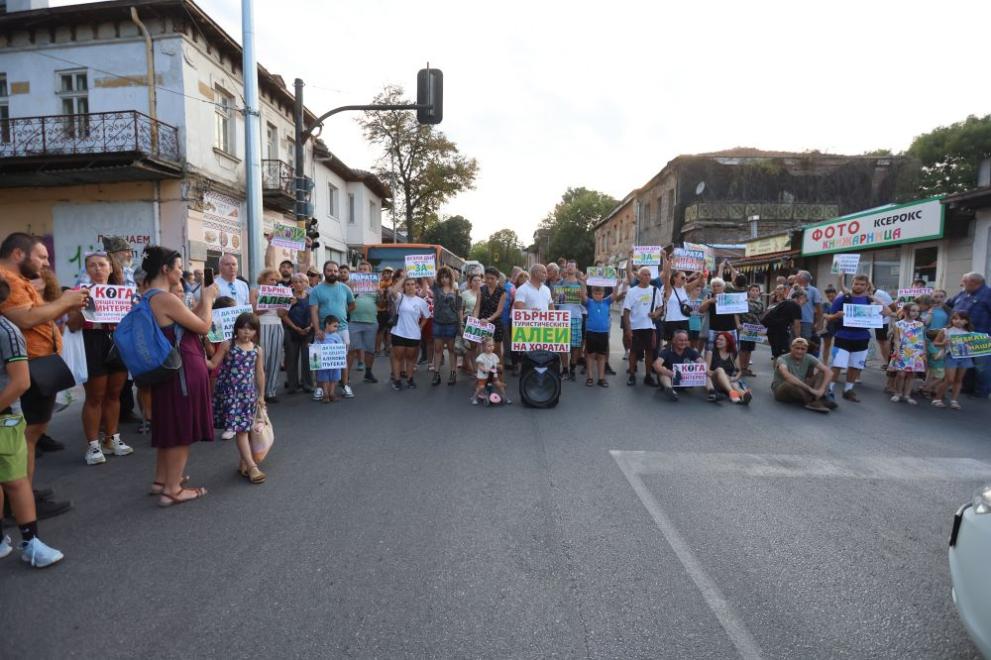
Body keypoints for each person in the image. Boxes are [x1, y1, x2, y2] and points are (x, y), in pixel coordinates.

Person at [0, 233, 86, 518]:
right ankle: (18, 499)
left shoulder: (18, 279)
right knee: (25, 436)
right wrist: (65, 301)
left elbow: (36, 313)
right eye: (41, 256)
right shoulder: (8, 280)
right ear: (18, 254)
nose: (46, 263)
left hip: (38, 364)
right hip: (28, 366)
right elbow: (26, 318)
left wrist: (66, 303)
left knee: (31, 434)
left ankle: (23, 490)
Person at [141, 246, 216, 507]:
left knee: (168, 423)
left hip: (167, 368)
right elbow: (203, 326)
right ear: (165, 269)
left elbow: (186, 323)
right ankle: (172, 489)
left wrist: (200, 302)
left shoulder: (147, 295)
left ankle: (162, 480)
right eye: (179, 267)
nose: (181, 272)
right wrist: (208, 299)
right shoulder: (165, 298)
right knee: (181, 428)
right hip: (183, 367)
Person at [0, 282, 64, 568]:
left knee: (15, 481)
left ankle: (31, 542)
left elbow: (21, 382)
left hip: (5, 418)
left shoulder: (7, 331)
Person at [65, 252, 134, 466]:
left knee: (114, 394)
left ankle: (112, 438)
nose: (97, 269)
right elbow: (72, 325)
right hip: (92, 341)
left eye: (102, 265)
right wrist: (82, 308)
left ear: (110, 268)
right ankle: (93, 445)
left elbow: (129, 321)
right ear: (86, 269)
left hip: (117, 341)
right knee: (95, 396)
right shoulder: (80, 293)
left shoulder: (122, 292)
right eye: (92, 265)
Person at [211, 312, 266, 484]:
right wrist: (194, 356)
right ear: (236, 329)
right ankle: (252, 466)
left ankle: (244, 463)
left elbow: (260, 373)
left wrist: (261, 395)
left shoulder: (257, 350)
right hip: (231, 395)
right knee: (241, 431)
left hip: (248, 395)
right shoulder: (228, 345)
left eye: (251, 329)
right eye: (242, 328)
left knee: (247, 429)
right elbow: (213, 363)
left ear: (256, 331)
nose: (246, 332)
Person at [827, 274, 890, 403]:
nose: (859, 286)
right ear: (852, 284)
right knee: (838, 364)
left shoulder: (870, 301)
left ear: (867, 286)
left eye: (862, 284)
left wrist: (875, 300)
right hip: (843, 336)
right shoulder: (842, 298)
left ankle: (848, 390)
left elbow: (887, 312)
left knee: (855, 365)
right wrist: (836, 316)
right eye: (856, 284)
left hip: (862, 337)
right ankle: (829, 390)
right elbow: (827, 317)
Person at [309, 261, 355, 397]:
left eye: (335, 271)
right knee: (318, 359)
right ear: (324, 272)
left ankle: (345, 385)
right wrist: (317, 330)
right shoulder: (316, 290)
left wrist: (342, 313)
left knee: (342, 358)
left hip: (342, 329)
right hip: (323, 331)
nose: (333, 273)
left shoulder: (345, 288)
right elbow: (313, 311)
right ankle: (319, 388)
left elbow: (352, 305)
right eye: (329, 270)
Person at [951, 272, 991, 398]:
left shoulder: (988, 294)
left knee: (981, 367)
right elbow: (948, 304)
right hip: (962, 335)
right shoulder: (963, 293)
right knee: (966, 364)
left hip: (981, 335)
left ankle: (981, 392)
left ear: (974, 282)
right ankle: (966, 388)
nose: (961, 284)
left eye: (964, 282)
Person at [771, 337, 836, 413]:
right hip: (782, 389)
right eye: (797, 348)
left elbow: (829, 372)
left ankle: (816, 398)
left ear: (806, 350)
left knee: (822, 373)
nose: (799, 351)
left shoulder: (808, 357)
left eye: (802, 349)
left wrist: (822, 389)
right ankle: (811, 401)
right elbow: (787, 376)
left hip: (800, 387)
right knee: (789, 384)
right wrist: (810, 389)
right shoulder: (782, 359)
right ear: (791, 348)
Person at [250, 269, 287, 404]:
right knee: (262, 359)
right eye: (271, 279)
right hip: (262, 324)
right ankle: (258, 391)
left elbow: (282, 314)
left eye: (276, 280)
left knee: (275, 359)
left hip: (277, 325)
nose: (274, 282)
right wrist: (271, 303)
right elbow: (254, 310)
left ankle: (271, 391)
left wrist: (286, 305)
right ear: (263, 279)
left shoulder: (280, 292)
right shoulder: (255, 291)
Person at [623, 267, 661, 387]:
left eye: (649, 274)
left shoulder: (655, 290)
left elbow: (660, 307)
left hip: (649, 327)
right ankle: (632, 375)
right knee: (633, 352)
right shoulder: (632, 291)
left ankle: (648, 376)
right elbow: (626, 311)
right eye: (645, 274)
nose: (648, 277)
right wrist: (628, 330)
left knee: (649, 352)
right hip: (635, 327)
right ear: (639, 277)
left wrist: (656, 313)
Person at [390, 277, 430, 390]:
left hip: (413, 335)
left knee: (411, 358)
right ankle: (397, 380)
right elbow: (393, 291)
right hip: (398, 333)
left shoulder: (421, 301)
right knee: (398, 357)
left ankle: (410, 379)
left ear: (416, 286)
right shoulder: (400, 297)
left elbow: (426, 316)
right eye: (407, 284)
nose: (410, 286)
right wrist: (404, 277)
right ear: (404, 286)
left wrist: (420, 327)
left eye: (412, 284)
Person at [933, 311, 976, 410]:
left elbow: (974, 346)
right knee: (949, 379)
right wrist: (943, 343)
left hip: (965, 357)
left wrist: (974, 344)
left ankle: (954, 400)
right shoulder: (946, 331)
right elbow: (935, 343)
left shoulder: (969, 333)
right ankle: (937, 399)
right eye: (955, 318)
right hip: (951, 356)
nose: (958, 321)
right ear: (951, 320)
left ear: (966, 321)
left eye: (962, 319)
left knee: (959, 379)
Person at [346, 261, 380, 385]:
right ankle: (345, 376)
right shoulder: (351, 285)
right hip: (354, 321)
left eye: (365, 269)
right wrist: (351, 287)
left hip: (371, 321)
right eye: (360, 269)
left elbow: (381, 304)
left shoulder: (375, 286)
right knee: (351, 349)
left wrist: (381, 294)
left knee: (370, 350)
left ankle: (368, 372)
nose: (363, 271)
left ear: (370, 272)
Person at [553, 261, 587, 381]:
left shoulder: (580, 283)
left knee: (575, 345)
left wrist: (581, 295)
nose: (570, 268)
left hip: (576, 316)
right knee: (562, 345)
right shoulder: (560, 283)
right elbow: (555, 301)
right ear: (566, 269)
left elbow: (585, 301)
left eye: (572, 266)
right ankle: (565, 369)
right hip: (562, 317)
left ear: (576, 269)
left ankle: (572, 368)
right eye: (568, 266)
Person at [583, 282, 622, 387]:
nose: (598, 295)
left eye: (600, 293)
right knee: (590, 355)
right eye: (595, 293)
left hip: (603, 333)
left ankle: (601, 378)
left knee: (601, 356)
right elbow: (583, 295)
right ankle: (590, 377)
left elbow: (614, 294)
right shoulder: (589, 302)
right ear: (592, 294)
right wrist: (583, 282)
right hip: (591, 332)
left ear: (603, 294)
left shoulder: (606, 302)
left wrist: (616, 285)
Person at [888, 302, 927, 405]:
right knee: (901, 374)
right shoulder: (898, 324)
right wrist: (897, 351)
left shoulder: (920, 324)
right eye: (913, 310)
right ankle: (898, 393)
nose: (916, 313)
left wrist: (923, 353)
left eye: (917, 311)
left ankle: (907, 395)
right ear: (905, 311)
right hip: (903, 351)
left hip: (916, 352)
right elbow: (896, 339)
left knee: (911, 374)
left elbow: (922, 339)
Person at [431, 266, 463, 386]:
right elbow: (427, 277)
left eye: (446, 277)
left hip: (452, 323)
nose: (444, 279)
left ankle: (453, 373)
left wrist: (461, 324)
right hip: (438, 323)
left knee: (451, 350)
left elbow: (459, 308)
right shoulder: (436, 288)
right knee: (438, 349)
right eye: (442, 277)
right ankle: (436, 374)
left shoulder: (456, 290)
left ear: (451, 278)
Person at [283, 273, 314, 394]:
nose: (298, 284)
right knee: (291, 359)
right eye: (295, 282)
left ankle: (308, 384)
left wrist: (310, 326)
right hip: (291, 331)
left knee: (307, 359)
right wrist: (295, 328)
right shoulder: (288, 297)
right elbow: (283, 315)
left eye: (301, 282)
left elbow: (315, 313)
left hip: (308, 331)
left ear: (306, 283)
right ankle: (292, 385)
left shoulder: (311, 297)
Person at [653, 330, 704, 401]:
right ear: (674, 340)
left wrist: (701, 367)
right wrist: (668, 372)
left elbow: (702, 362)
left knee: (705, 370)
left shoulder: (690, 351)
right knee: (663, 370)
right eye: (681, 340)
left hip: (684, 381)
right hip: (669, 379)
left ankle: (712, 391)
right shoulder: (666, 351)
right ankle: (670, 390)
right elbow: (656, 365)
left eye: (685, 340)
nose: (683, 342)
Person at [706, 331, 752, 404]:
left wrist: (735, 378)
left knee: (734, 384)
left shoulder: (733, 354)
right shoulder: (711, 352)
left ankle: (744, 395)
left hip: (728, 381)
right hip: (715, 380)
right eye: (717, 339)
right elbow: (707, 371)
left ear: (727, 342)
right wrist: (724, 375)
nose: (718, 341)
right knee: (720, 370)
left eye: (721, 340)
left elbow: (739, 371)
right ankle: (732, 393)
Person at [698, 277, 741, 354]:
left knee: (732, 351)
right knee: (711, 351)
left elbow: (736, 312)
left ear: (723, 287)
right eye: (714, 286)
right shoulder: (708, 297)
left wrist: (738, 324)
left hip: (729, 328)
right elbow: (701, 310)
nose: (716, 288)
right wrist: (709, 302)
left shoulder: (729, 297)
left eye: (718, 286)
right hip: (714, 329)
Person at [474, 267, 508, 362]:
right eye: (487, 278)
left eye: (492, 278)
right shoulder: (481, 289)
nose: (489, 280)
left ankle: (498, 369)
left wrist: (488, 319)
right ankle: (481, 369)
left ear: (497, 279)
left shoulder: (502, 292)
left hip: (495, 323)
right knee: (481, 348)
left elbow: (499, 310)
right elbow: (477, 306)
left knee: (497, 350)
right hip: (482, 322)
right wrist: (475, 318)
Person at [763, 288, 805, 360]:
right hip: (780, 333)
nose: (804, 303)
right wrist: (798, 338)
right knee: (783, 356)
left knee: (777, 355)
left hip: (771, 331)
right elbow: (797, 325)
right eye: (805, 300)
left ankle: (777, 367)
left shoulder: (785, 302)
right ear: (800, 298)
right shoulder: (796, 306)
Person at [313, 315, 344, 403]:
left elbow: (341, 346)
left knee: (334, 378)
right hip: (323, 362)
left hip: (334, 362)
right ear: (327, 324)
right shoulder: (320, 335)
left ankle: (332, 393)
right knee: (324, 378)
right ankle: (325, 394)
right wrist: (311, 346)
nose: (336, 329)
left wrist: (343, 349)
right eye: (334, 326)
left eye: (337, 327)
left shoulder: (337, 336)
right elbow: (315, 345)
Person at [471, 338, 509, 405]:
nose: (491, 347)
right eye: (489, 346)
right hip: (484, 376)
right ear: (484, 347)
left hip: (493, 375)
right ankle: (474, 397)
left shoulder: (494, 356)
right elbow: (480, 366)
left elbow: (495, 364)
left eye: (492, 345)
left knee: (499, 384)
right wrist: (484, 369)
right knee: (481, 387)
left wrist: (499, 366)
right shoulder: (482, 356)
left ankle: (505, 397)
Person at [738, 284, 765, 377]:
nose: (754, 292)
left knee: (750, 349)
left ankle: (746, 368)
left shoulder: (761, 304)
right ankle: (741, 369)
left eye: (757, 291)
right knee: (743, 349)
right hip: (745, 327)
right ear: (749, 292)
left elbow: (761, 315)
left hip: (755, 328)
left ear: (759, 293)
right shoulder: (743, 301)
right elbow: (737, 313)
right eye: (752, 290)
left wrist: (761, 325)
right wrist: (738, 324)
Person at [794, 270, 822, 350]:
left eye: (797, 275)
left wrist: (819, 323)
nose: (795, 277)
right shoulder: (794, 289)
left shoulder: (814, 290)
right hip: (793, 321)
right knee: (793, 343)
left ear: (803, 279)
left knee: (804, 343)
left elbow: (819, 308)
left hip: (806, 321)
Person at [818, 285, 839, 367]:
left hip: (839, 327)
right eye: (828, 296)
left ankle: (837, 364)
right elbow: (823, 315)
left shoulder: (840, 303)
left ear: (835, 294)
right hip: (828, 327)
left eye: (832, 295)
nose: (830, 297)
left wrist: (829, 316)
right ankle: (825, 363)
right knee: (827, 346)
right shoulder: (826, 304)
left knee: (839, 346)